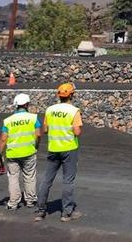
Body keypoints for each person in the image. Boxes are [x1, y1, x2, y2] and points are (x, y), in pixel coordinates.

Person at [34, 82, 83, 222]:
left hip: (53, 148)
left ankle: (40, 210)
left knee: (47, 179)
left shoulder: (50, 110)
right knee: (68, 180)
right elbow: (77, 131)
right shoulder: (74, 111)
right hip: (69, 148)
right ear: (71, 95)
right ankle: (66, 212)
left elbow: (45, 130)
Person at [0, 93, 41, 210]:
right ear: (27, 104)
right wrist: (36, 147)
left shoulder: (8, 121)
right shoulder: (33, 118)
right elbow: (38, 134)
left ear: (16, 105)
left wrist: (0, 153)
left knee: (13, 177)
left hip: (12, 154)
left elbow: (3, 139)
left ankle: (13, 202)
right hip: (29, 152)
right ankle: (31, 200)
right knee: (29, 176)